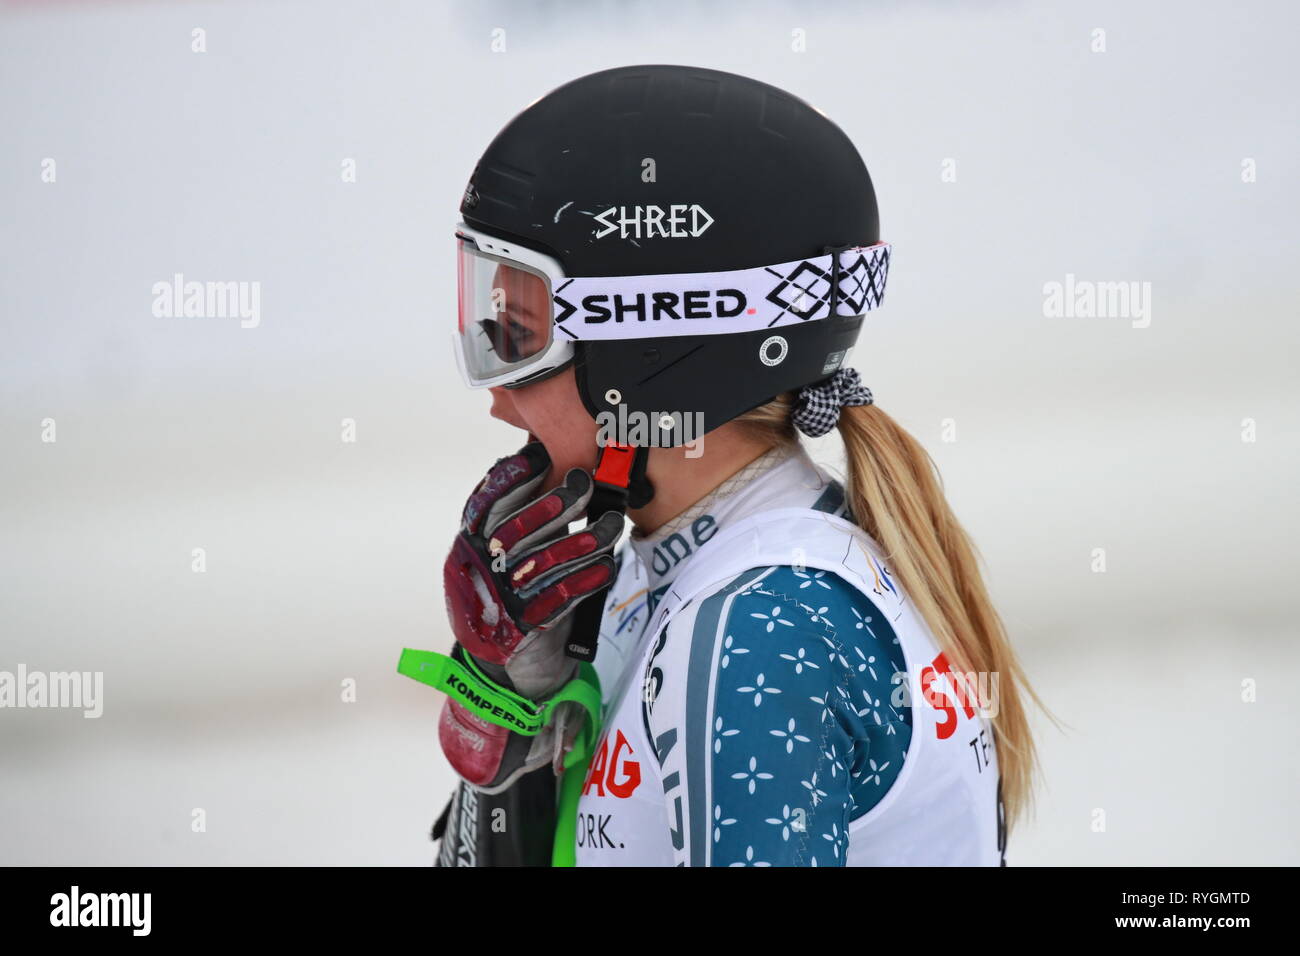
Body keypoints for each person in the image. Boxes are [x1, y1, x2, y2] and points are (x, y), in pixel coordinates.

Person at [400, 64, 1042, 866]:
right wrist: (509, 714)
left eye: (520, 336)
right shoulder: (677, 574)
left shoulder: (752, 632)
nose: (496, 397)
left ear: (653, 354)